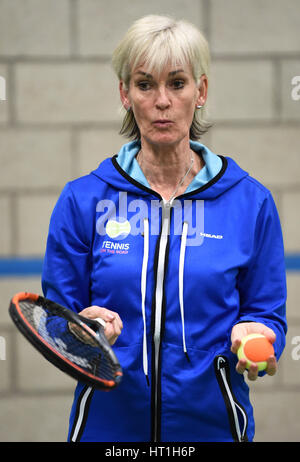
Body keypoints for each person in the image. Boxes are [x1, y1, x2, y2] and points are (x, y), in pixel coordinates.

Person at [42, 15, 287, 442]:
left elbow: (267, 315)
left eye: (177, 83)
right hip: (108, 433)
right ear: (125, 94)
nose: (161, 101)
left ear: (200, 92)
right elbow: (59, 326)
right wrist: (85, 333)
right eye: (145, 84)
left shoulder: (250, 202)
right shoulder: (82, 200)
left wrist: (259, 336)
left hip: (213, 431)